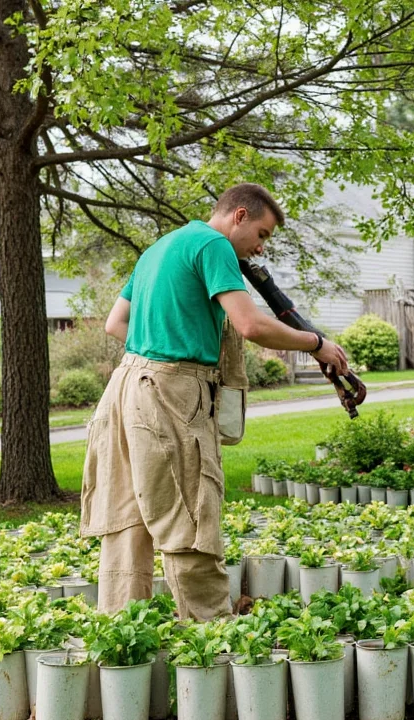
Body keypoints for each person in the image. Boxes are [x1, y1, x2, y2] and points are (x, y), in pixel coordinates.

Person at [81, 183, 349, 618]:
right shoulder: (214, 245)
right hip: (170, 392)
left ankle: (123, 639)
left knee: (128, 523)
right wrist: (316, 343)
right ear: (239, 216)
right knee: (190, 516)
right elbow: (249, 325)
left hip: (124, 389)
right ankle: (214, 642)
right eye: (261, 235)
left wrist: (160, 342)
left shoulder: (159, 248)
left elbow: (115, 323)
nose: (260, 249)